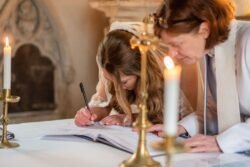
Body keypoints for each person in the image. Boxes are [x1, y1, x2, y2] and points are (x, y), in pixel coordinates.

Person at [148, 0, 250, 153]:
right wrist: (180, 127)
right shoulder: (207, 50)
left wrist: (220, 142)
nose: (172, 54)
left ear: (204, 29)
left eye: (177, 44)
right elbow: (219, 110)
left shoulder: (247, 43)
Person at [74, 22, 192, 127]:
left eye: (124, 82)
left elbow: (173, 118)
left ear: (140, 70)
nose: (117, 88)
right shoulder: (109, 63)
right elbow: (105, 103)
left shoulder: (165, 72)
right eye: (109, 80)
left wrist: (130, 118)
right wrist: (91, 113)